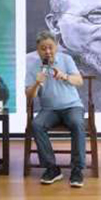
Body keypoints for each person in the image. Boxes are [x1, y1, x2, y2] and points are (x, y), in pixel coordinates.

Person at [26, 30, 86, 188]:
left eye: (50, 47)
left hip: (72, 106)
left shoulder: (66, 59)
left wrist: (65, 76)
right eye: (43, 48)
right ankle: (52, 168)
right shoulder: (33, 66)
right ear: (38, 50)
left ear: (56, 46)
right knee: (36, 125)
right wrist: (37, 83)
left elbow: (79, 81)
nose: (47, 51)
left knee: (77, 123)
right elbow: (29, 95)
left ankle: (77, 170)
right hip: (49, 109)